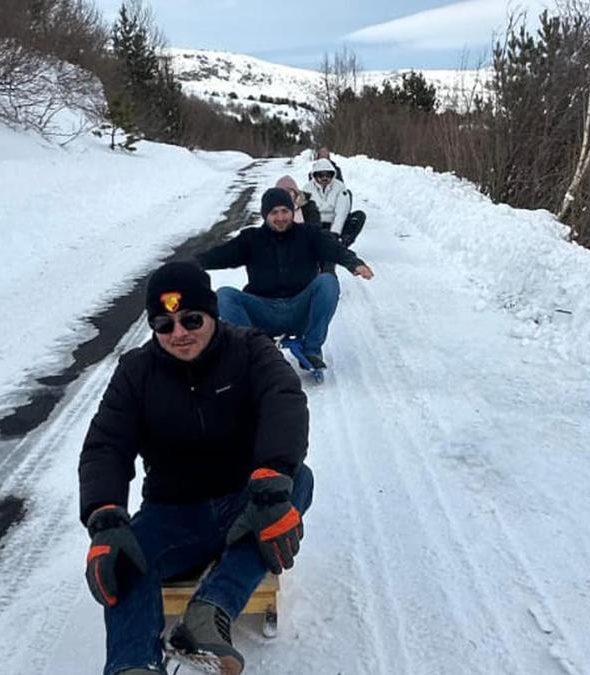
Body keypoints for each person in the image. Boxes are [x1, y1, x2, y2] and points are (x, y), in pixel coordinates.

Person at [79, 261, 314, 675]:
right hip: (172, 511)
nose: (179, 333)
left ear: (211, 313)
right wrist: (104, 516)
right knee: (126, 553)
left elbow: (284, 400)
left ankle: (210, 613)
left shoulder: (250, 349)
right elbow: (106, 445)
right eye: (164, 325)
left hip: (246, 500)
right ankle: (132, 665)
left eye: (190, 319)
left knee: (298, 481)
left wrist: (272, 479)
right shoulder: (136, 372)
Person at [198, 187, 374, 370]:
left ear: (292, 211)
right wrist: (191, 265)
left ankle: (311, 350)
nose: (281, 217)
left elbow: (334, 249)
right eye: (274, 212)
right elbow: (219, 255)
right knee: (224, 295)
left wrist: (354, 263)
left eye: (285, 211)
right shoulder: (251, 239)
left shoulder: (309, 234)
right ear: (265, 214)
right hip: (262, 312)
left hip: (300, 310)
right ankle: (254, 352)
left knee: (328, 281)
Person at [305, 158, 366, 248]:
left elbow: (342, 212)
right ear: (315, 175)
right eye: (321, 175)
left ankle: (341, 245)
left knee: (359, 216)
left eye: (328, 175)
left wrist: (335, 233)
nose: (325, 178)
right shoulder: (307, 189)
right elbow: (305, 212)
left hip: (335, 223)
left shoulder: (340, 187)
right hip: (317, 225)